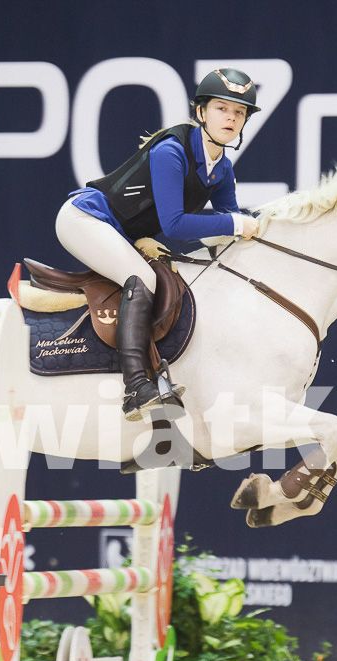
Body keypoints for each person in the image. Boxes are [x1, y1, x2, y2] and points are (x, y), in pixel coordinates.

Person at [56, 68, 262, 421]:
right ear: (201, 112)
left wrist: (250, 228)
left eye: (239, 112)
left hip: (119, 232)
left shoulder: (222, 168)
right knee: (144, 279)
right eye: (221, 108)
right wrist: (237, 223)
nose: (231, 118)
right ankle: (136, 387)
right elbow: (175, 224)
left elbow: (227, 228)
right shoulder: (171, 151)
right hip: (85, 218)